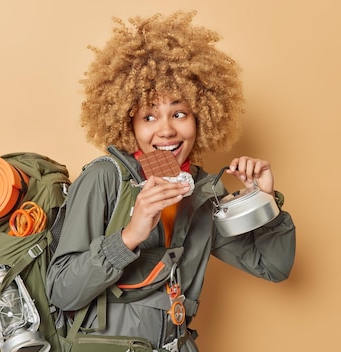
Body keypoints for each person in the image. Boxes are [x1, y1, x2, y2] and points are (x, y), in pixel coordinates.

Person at [45, 11, 296, 352]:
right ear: (127, 123)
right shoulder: (105, 178)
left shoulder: (204, 191)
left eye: (179, 113)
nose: (166, 130)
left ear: (201, 117)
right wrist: (130, 235)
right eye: (149, 116)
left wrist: (263, 199)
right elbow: (61, 291)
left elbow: (273, 267)